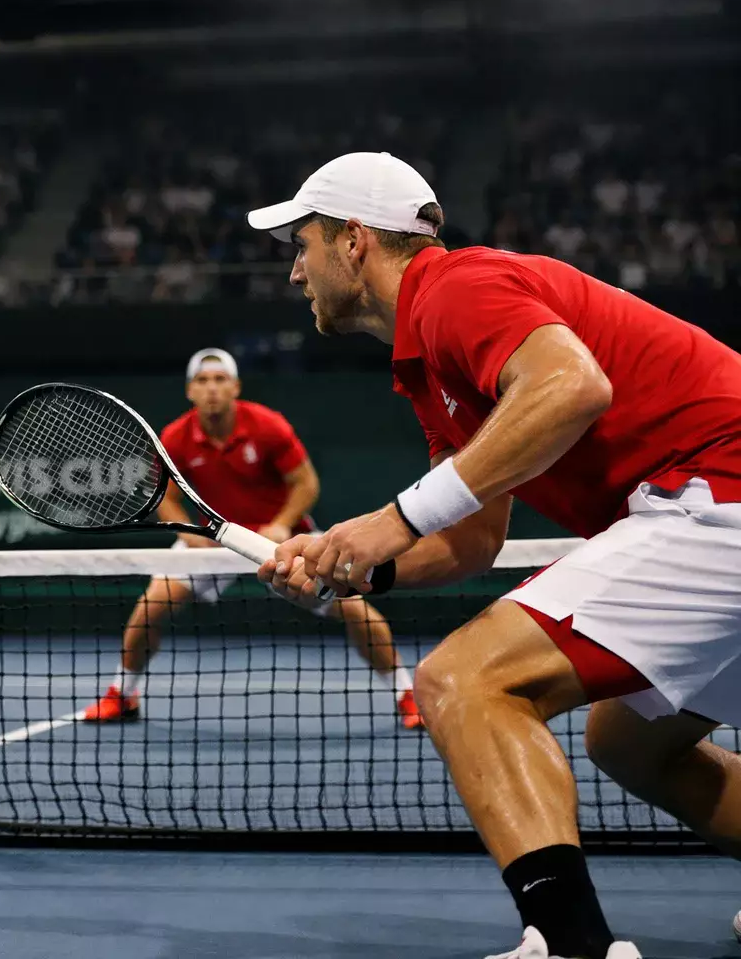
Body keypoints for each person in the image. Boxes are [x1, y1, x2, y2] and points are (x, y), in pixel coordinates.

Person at [249, 151, 741, 959]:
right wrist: (356, 566)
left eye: (301, 243)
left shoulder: (456, 288)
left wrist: (395, 518)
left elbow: (573, 387)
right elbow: (475, 536)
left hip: (718, 492)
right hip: (706, 508)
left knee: (466, 681)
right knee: (628, 742)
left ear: (356, 243)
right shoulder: (428, 361)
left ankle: (571, 943)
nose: (295, 270)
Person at [82, 348, 421, 730]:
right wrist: (186, 535)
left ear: (235, 387)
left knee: (355, 609)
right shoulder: (176, 437)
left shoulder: (267, 426)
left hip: (282, 541)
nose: (212, 388)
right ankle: (122, 693)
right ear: (190, 390)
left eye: (220, 379)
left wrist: (280, 524)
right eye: (203, 380)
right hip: (215, 542)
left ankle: (406, 694)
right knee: (151, 607)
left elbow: (305, 483)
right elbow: (167, 499)